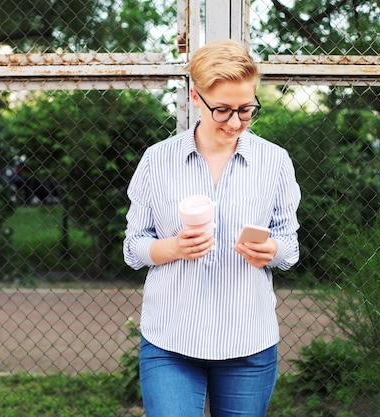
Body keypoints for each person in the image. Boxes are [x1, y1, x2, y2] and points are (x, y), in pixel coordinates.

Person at [123, 39, 301, 417]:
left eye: (246, 110)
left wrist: (272, 251)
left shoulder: (275, 162)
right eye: (222, 110)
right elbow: (133, 247)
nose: (235, 122)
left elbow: (290, 246)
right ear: (194, 97)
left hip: (248, 343)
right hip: (171, 341)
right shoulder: (158, 161)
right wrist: (173, 248)